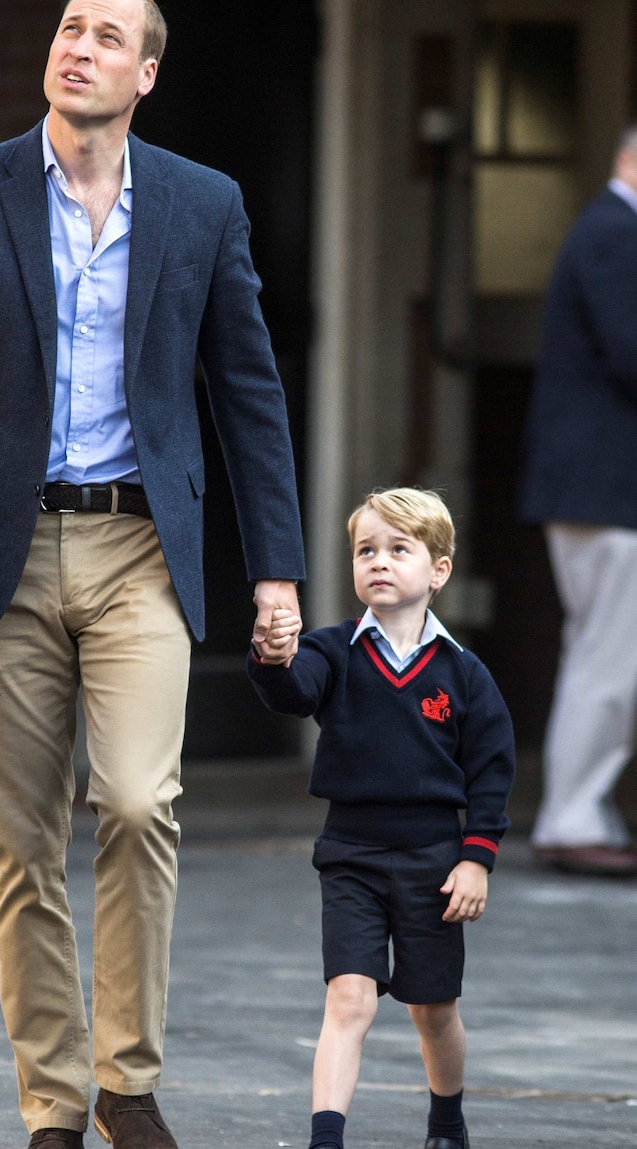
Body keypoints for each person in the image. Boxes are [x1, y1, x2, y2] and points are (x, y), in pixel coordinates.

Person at [0, 2, 305, 1146]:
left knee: (134, 800)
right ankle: (55, 1105)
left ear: (147, 75)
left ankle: (128, 1080)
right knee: (22, 839)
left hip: (140, 551)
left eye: (109, 35)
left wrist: (279, 570)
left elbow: (250, 395)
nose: (80, 46)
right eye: (71, 26)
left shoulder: (202, 204)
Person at [248, 489, 514, 1149]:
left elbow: (491, 771)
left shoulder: (465, 674)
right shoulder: (334, 650)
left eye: (400, 549)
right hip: (351, 856)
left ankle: (447, 1123)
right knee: (350, 1000)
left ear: (440, 570)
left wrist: (476, 857)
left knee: (433, 1010)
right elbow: (293, 689)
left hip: (434, 862)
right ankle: (326, 1138)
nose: (380, 562)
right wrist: (274, 654)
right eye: (366, 550)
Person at [518, 124, 637, 878]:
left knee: (603, 651)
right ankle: (571, 816)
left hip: (597, 485)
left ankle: (581, 809)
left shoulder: (608, 230)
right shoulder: (613, 234)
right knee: (610, 657)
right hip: (604, 487)